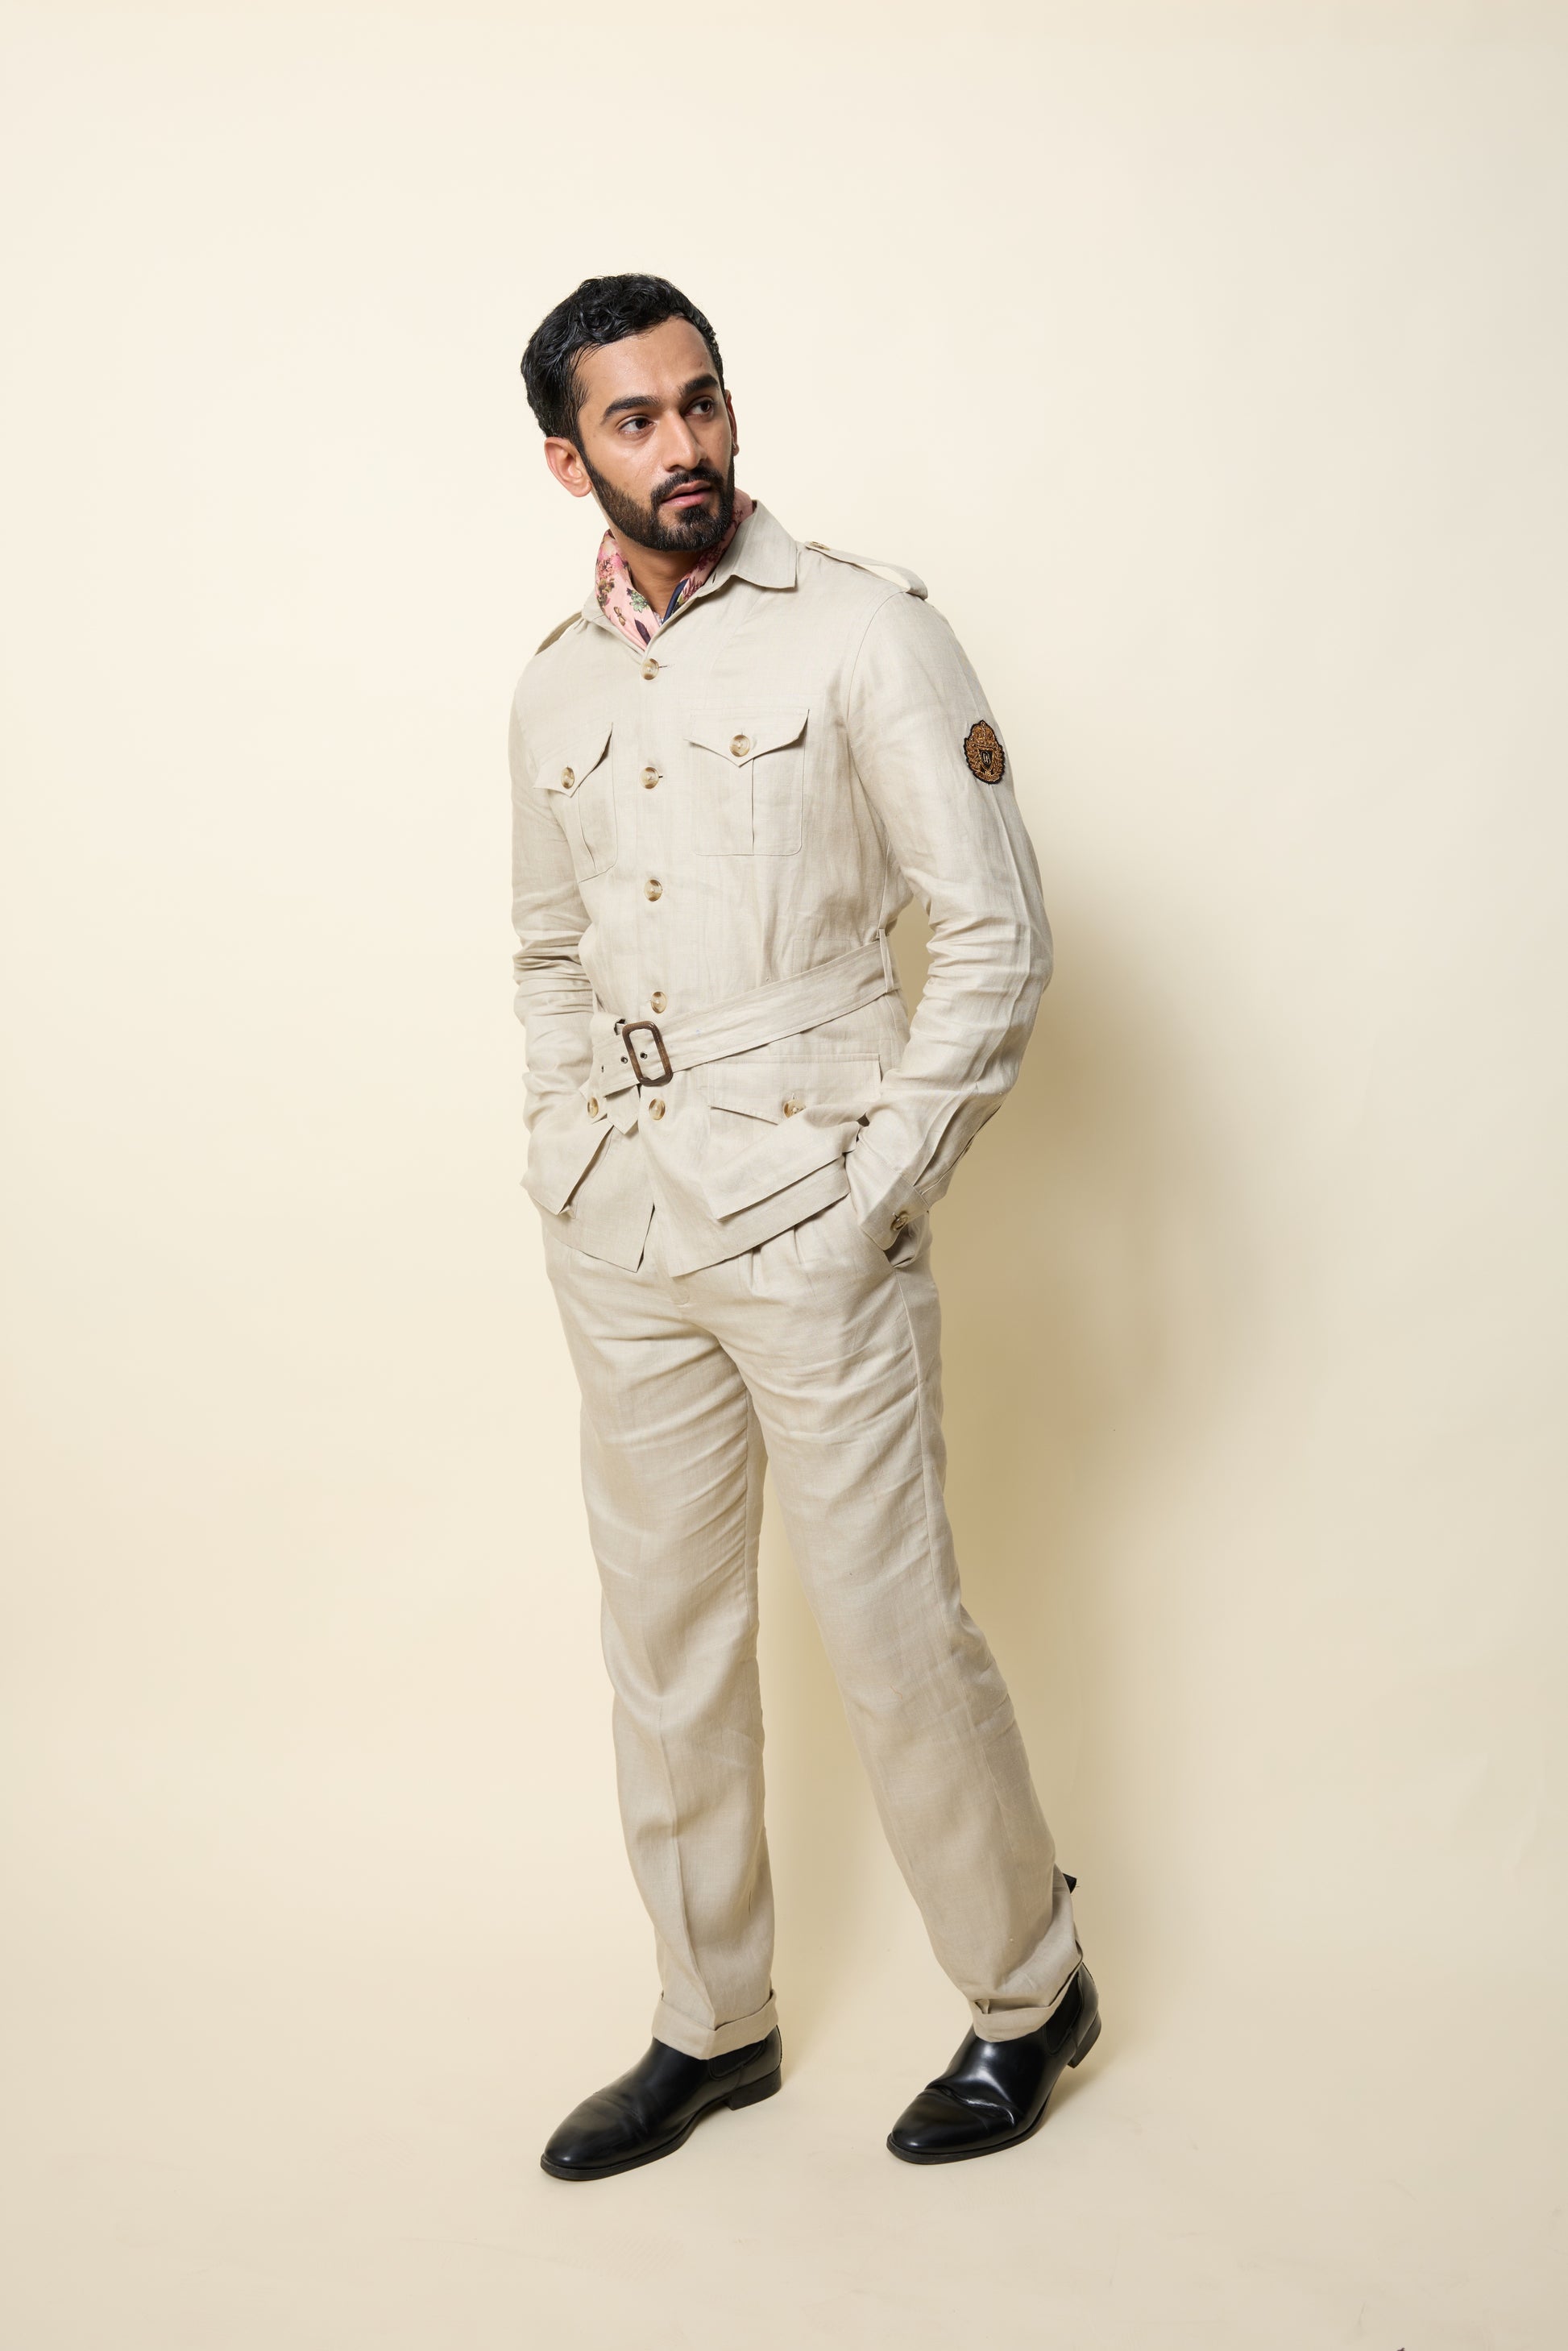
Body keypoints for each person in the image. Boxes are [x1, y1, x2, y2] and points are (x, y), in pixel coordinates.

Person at [510, 274, 1099, 2179]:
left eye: (699, 401)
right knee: (665, 1647)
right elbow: (545, 952)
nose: (682, 444)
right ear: (568, 458)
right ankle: (714, 2023)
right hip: (624, 1232)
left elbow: (996, 933)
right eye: (633, 419)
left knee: (890, 1633)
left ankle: (1026, 1991)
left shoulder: (866, 631)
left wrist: (876, 1189)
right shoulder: (554, 684)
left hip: (813, 1216)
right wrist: (563, 1151)